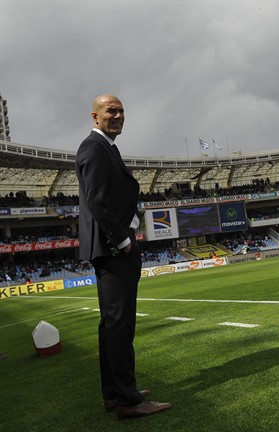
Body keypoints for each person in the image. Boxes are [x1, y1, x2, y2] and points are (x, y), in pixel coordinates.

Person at [75, 94, 171, 419]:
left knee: (111, 325)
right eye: (110, 111)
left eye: (121, 111)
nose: (117, 115)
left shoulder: (106, 148)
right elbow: (97, 201)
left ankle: (116, 393)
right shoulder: (94, 147)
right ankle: (129, 400)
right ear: (95, 116)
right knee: (119, 324)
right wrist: (123, 241)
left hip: (111, 247)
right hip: (113, 248)